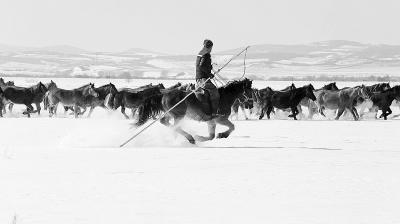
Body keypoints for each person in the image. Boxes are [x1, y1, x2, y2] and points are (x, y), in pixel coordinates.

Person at [195, 39, 220, 117]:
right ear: (209, 47)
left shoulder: (200, 53)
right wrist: (209, 74)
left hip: (199, 78)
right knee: (215, 92)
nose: (211, 49)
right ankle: (214, 113)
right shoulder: (206, 54)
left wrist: (210, 67)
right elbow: (202, 66)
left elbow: (201, 65)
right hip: (203, 78)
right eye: (211, 48)